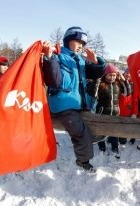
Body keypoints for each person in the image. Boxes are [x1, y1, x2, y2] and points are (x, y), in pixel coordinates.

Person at [41, 26, 106, 172]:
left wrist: (96, 62)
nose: (81, 46)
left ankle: (89, 139)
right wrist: (49, 58)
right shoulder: (58, 57)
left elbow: (97, 74)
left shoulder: (80, 61)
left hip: (79, 105)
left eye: (83, 44)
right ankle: (83, 161)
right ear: (68, 40)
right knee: (79, 131)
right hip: (63, 104)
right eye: (78, 42)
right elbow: (54, 81)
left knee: (92, 122)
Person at [88, 64, 130, 158]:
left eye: (114, 75)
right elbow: (92, 93)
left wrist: (123, 80)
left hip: (115, 113)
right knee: (101, 131)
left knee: (114, 132)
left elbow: (128, 92)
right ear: (105, 75)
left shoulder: (117, 85)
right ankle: (102, 147)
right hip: (102, 113)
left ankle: (115, 147)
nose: (112, 77)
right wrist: (98, 79)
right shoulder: (102, 85)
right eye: (110, 75)